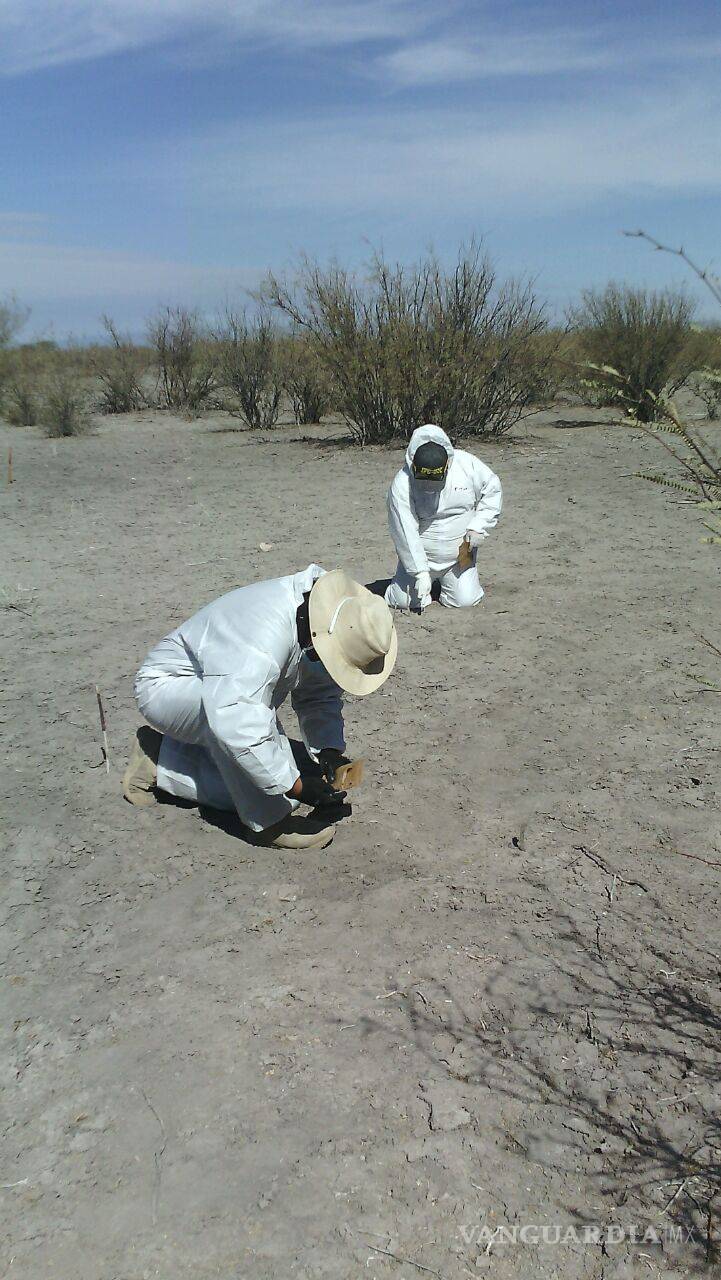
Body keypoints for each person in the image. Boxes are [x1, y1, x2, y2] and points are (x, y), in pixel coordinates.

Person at [122, 566, 397, 849]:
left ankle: (162, 755)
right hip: (168, 687)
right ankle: (269, 823)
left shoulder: (329, 614)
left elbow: (318, 693)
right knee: (270, 779)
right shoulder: (263, 639)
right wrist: (297, 787)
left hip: (218, 685)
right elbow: (237, 720)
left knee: (270, 764)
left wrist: (328, 750)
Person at [385, 424, 502, 612]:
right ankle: (414, 580)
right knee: (403, 602)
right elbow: (403, 530)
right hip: (421, 557)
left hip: (460, 555)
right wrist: (420, 572)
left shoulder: (467, 465)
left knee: (465, 601)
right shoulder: (402, 483)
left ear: (447, 465)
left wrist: (479, 526)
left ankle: (453, 581)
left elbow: (492, 489)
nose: (430, 486)